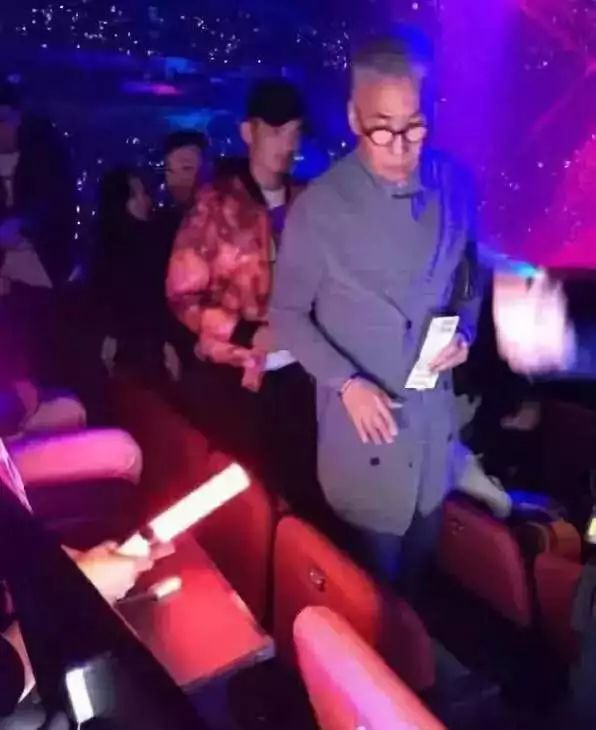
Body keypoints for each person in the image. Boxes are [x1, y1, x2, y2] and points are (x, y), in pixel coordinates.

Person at [270, 35, 481, 587]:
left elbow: (468, 278)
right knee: (371, 596)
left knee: (421, 580)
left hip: (433, 439)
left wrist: (465, 330)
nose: (401, 148)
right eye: (382, 130)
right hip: (363, 442)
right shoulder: (318, 207)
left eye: (415, 128)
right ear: (353, 117)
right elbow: (287, 313)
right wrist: (345, 383)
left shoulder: (455, 185)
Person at [167, 79, 324, 518]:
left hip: (299, 378)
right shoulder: (215, 205)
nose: (286, 143)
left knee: (301, 505)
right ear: (247, 132)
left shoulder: (308, 203)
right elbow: (182, 295)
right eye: (274, 131)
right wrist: (246, 332)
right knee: (246, 506)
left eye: (294, 131)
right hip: (234, 382)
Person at [0, 78, 77, 389]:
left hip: (45, 277)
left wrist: (22, 224)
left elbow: (55, 200)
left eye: (4, 120)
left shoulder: (45, 152)